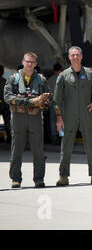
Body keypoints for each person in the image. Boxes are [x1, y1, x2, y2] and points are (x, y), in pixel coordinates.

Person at [54, 46, 92, 186]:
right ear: (69, 57)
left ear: (81, 57)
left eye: (77, 55)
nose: (75, 57)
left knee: (90, 144)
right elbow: (57, 100)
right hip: (69, 115)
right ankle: (63, 176)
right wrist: (59, 118)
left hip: (86, 113)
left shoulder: (89, 73)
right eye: (73, 55)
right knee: (66, 145)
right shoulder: (63, 76)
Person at [4, 52, 51, 188]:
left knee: (38, 149)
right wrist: (28, 102)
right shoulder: (13, 79)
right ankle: (15, 178)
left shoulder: (41, 79)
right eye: (27, 61)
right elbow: (7, 97)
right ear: (23, 62)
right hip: (19, 117)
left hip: (35, 117)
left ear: (36, 64)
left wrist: (43, 102)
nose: (29, 64)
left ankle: (38, 178)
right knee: (17, 147)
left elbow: (49, 97)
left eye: (32, 62)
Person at [47, 63, 63, 145]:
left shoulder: (50, 80)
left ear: (53, 70)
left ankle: (55, 138)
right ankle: (63, 137)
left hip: (53, 104)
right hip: (63, 104)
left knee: (53, 121)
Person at [0, 65, 11, 143]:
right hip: (6, 105)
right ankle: (9, 137)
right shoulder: (5, 81)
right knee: (8, 122)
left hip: (3, 104)